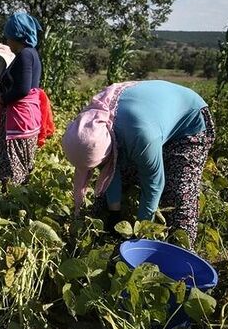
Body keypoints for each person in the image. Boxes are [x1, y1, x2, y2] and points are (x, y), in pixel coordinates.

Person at [61, 80, 216, 248]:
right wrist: (114, 213)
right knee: (107, 192)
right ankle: (104, 227)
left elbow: (153, 186)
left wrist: (141, 233)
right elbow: (111, 170)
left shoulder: (141, 137)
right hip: (150, 116)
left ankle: (181, 255)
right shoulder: (91, 127)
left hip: (190, 121)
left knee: (179, 193)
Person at [0, 12, 44, 187]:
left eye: (8, 37)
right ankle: (19, 204)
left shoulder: (25, 55)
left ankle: (11, 207)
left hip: (18, 122)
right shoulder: (31, 54)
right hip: (27, 119)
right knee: (22, 168)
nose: (7, 41)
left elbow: (23, 89)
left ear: (17, 37)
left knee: (12, 170)